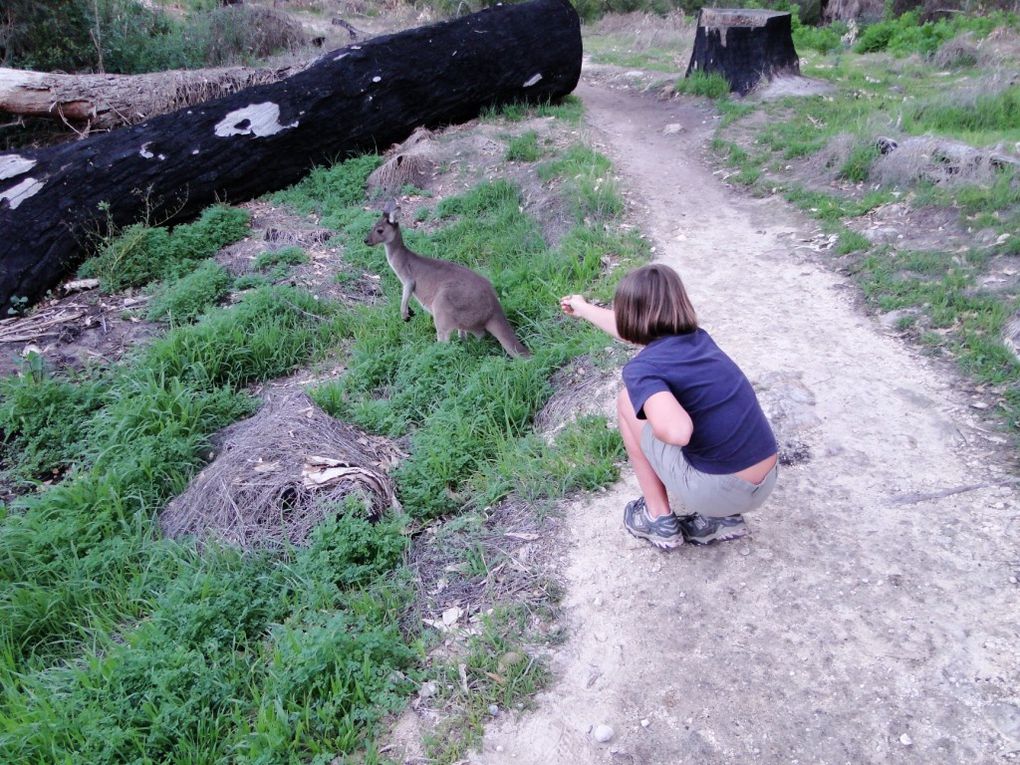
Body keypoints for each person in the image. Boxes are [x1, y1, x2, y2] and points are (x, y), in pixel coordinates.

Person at [560, 264, 778, 549]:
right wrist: (584, 308)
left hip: (719, 491)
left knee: (628, 402)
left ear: (631, 316)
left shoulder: (643, 369)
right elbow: (633, 332)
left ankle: (658, 518)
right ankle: (720, 519)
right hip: (765, 479)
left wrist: (661, 426)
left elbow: (677, 431)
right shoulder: (699, 339)